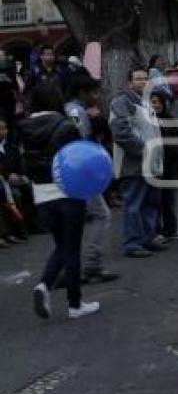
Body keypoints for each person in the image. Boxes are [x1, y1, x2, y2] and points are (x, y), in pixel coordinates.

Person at [16, 82, 100, 319]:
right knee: (71, 248)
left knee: (62, 245)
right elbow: (78, 157)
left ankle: (46, 286)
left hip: (41, 194)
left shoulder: (24, 127)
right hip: (68, 191)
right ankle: (73, 303)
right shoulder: (65, 125)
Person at [64, 71, 119, 284]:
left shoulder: (72, 109)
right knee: (101, 215)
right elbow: (80, 143)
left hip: (72, 172)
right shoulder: (77, 112)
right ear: (82, 92)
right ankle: (90, 265)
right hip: (79, 173)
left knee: (78, 220)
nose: (96, 96)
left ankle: (76, 267)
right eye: (93, 92)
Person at [109, 66, 166, 258]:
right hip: (133, 163)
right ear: (129, 82)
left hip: (149, 163)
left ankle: (147, 238)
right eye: (138, 79)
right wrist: (144, 149)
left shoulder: (144, 101)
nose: (143, 82)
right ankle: (133, 243)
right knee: (134, 203)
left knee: (150, 202)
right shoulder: (122, 102)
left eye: (145, 78)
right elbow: (120, 132)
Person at [148, 89, 178, 242]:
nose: (155, 105)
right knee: (156, 200)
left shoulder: (169, 119)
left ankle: (170, 229)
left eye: (158, 102)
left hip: (170, 166)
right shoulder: (150, 122)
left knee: (169, 200)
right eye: (153, 102)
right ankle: (156, 230)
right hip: (158, 166)